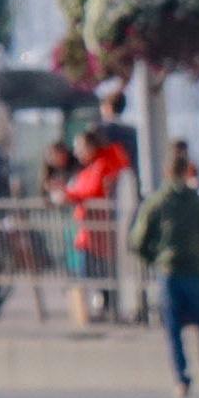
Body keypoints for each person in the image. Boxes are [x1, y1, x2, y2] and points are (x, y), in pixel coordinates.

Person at [127, 143, 199, 398]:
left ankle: (182, 380)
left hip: (169, 271)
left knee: (173, 330)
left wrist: (154, 259)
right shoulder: (197, 201)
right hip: (196, 270)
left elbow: (137, 241)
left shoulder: (155, 201)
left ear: (165, 172)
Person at [64, 123, 132, 325]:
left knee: (98, 275)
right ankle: (99, 309)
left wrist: (68, 195)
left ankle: (104, 310)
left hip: (99, 235)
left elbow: (92, 191)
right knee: (93, 275)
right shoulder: (92, 167)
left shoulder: (102, 165)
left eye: (80, 147)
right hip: (91, 234)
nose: (76, 152)